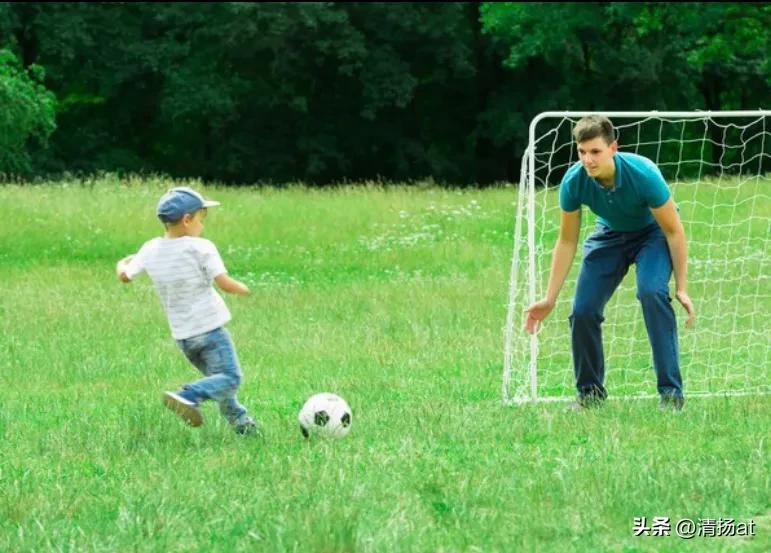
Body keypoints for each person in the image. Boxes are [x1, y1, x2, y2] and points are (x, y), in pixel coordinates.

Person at [524, 115, 695, 410]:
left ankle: (671, 395)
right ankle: (589, 394)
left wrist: (681, 287)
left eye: (595, 152)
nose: (588, 160)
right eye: (582, 152)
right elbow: (566, 242)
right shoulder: (574, 182)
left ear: (613, 148)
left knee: (651, 293)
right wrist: (549, 298)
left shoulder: (643, 174)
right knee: (583, 310)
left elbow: (673, 231)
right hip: (610, 235)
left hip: (652, 234)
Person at [116, 186, 260, 434]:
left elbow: (125, 276)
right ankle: (187, 395)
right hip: (210, 331)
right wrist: (247, 290)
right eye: (201, 219)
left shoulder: (150, 249)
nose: (202, 226)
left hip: (183, 338)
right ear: (186, 220)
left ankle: (242, 425)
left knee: (218, 383)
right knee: (231, 378)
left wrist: (122, 262)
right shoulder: (201, 247)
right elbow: (224, 283)